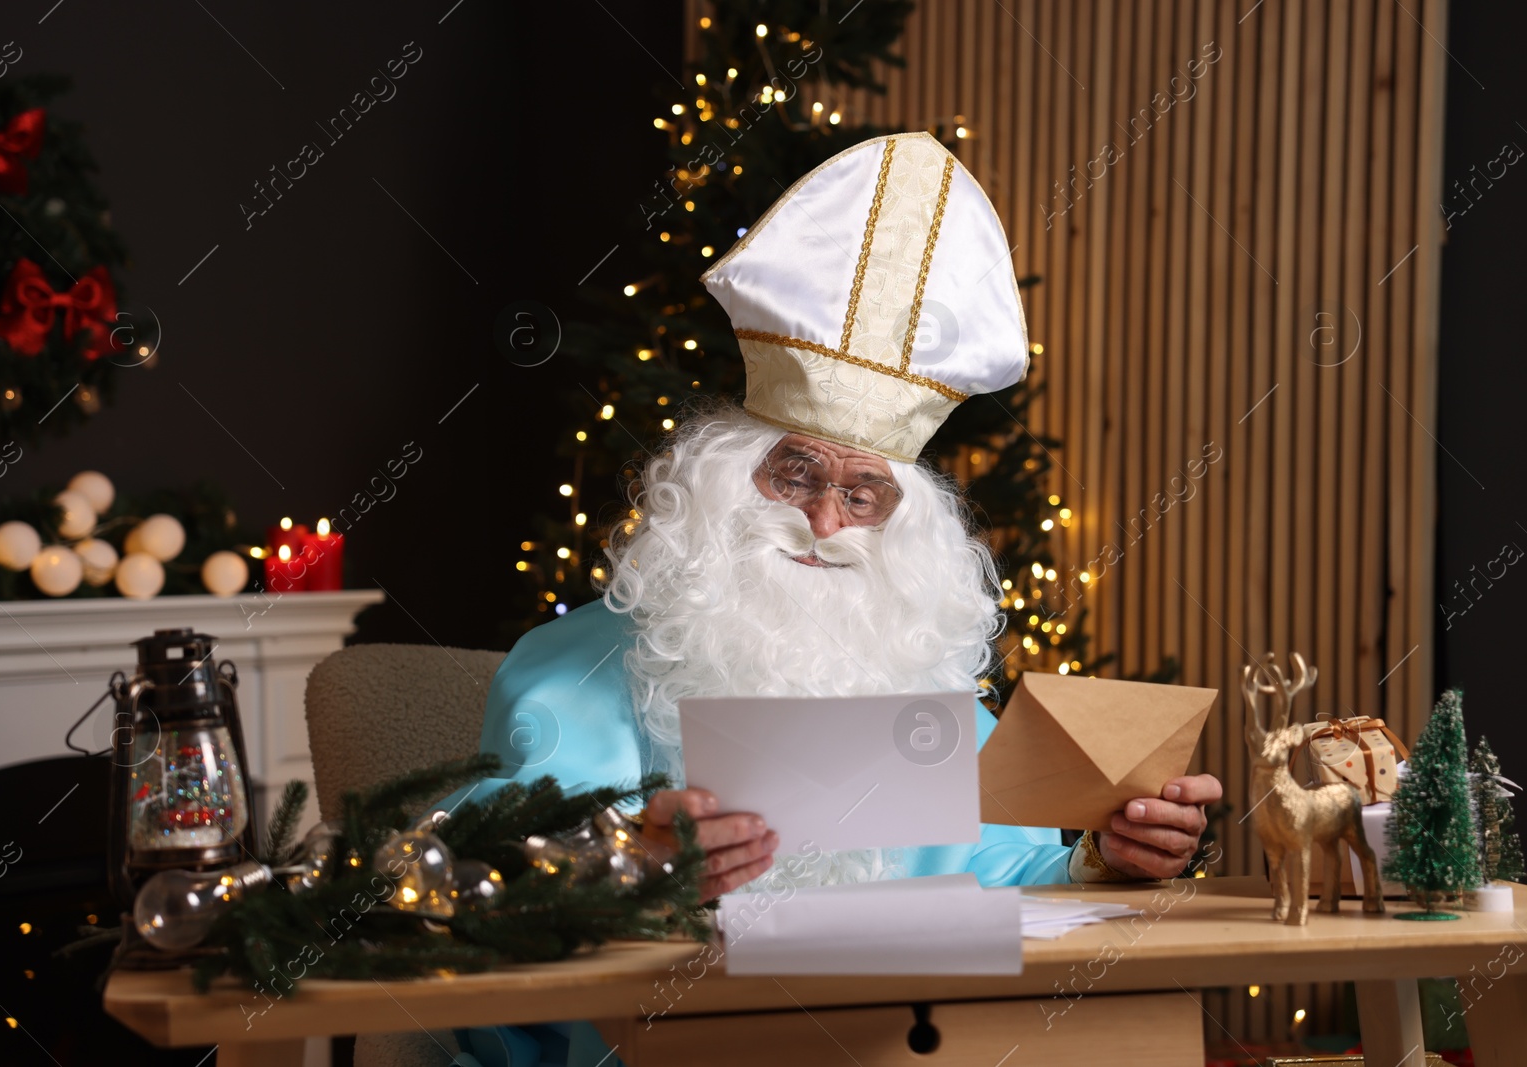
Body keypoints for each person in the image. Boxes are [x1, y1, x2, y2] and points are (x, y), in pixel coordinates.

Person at [404, 132, 1219, 1067]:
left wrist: (1104, 857)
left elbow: (997, 875)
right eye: (797, 474)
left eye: (863, 493)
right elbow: (464, 882)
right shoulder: (572, 670)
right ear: (722, 476)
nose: (828, 521)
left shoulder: (920, 671)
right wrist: (634, 862)